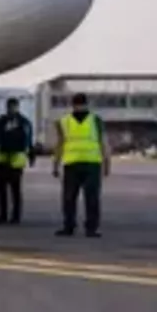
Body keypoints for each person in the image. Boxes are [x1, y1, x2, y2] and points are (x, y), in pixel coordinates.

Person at [52, 92, 110, 237]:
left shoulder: (65, 121)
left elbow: (59, 144)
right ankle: (89, 228)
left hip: (76, 163)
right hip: (89, 164)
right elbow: (104, 144)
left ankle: (70, 226)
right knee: (87, 198)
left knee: (71, 197)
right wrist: (107, 162)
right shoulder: (94, 120)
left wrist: (55, 164)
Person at [0, 97, 34, 224]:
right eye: (10, 106)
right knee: (2, 189)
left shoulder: (23, 122)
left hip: (16, 159)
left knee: (15, 190)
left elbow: (28, 140)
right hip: (2, 158)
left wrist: (31, 155)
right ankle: (3, 214)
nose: (11, 109)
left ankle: (15, 216)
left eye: (13, 106)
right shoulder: (2, 121)